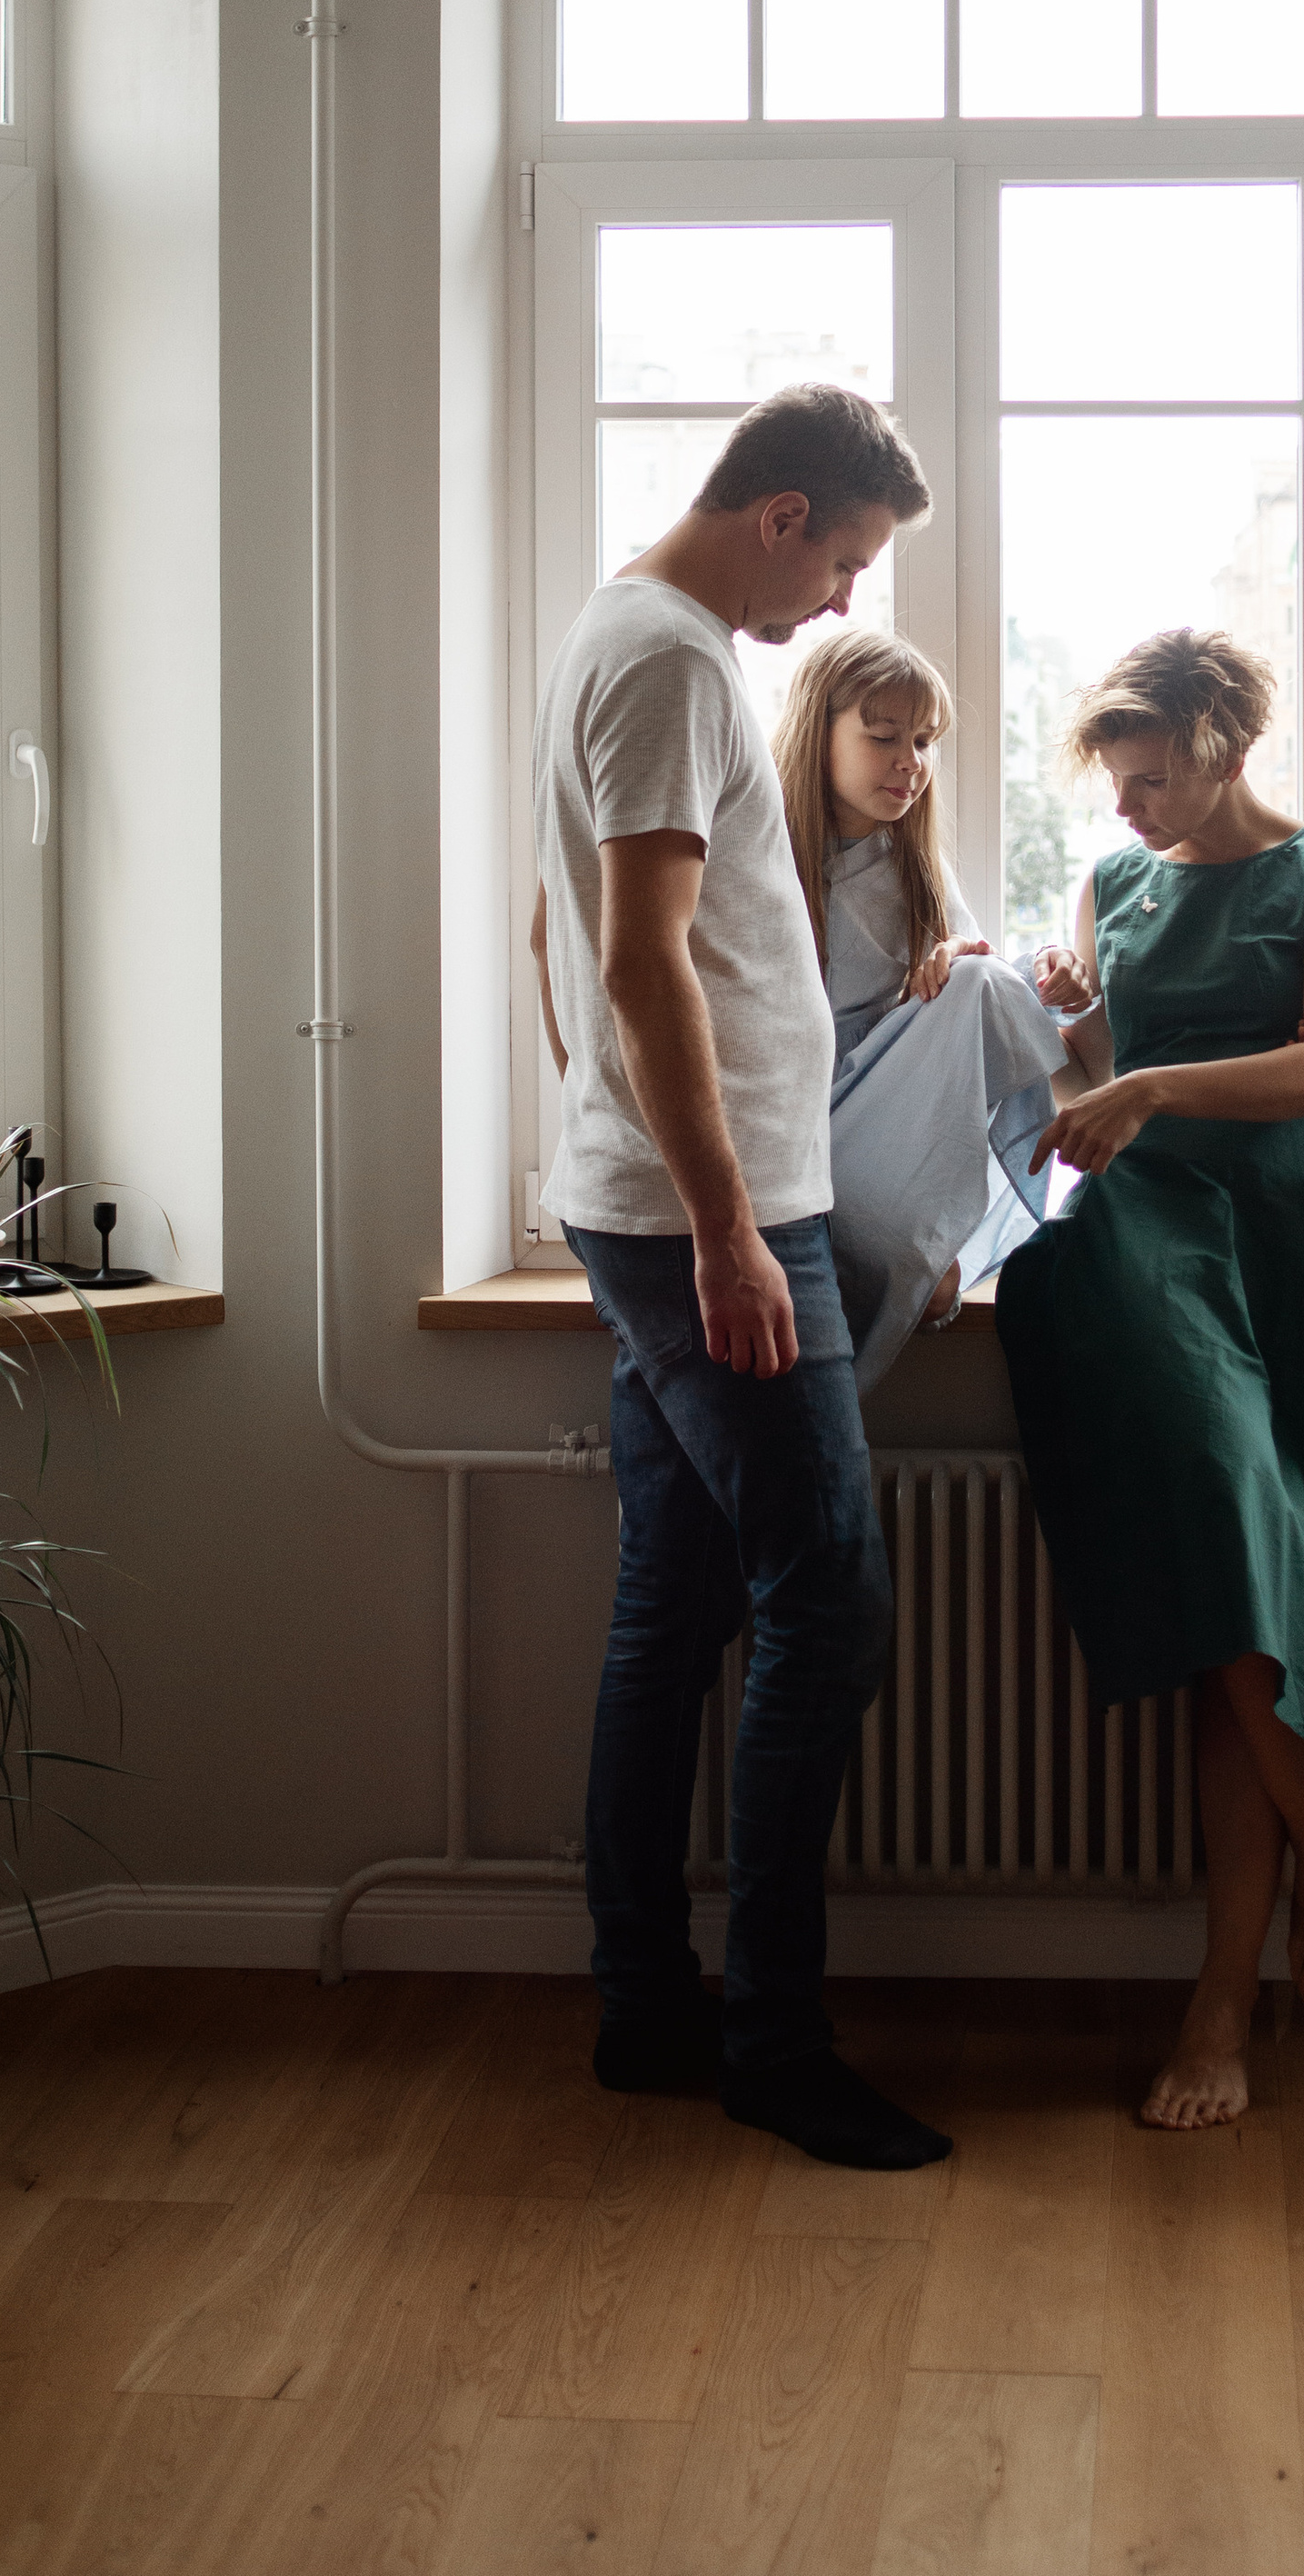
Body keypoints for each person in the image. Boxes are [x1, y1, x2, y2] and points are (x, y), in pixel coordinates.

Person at [530, 381, 951, 2172]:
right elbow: (639, 963)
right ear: (778, 513)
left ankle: (644, 2008)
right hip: (705, 1216)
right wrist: (719, 1224)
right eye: (845, 560)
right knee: (828, 1606)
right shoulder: (674, 660)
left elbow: (597, 943)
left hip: (674, 1196)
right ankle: (769, 2041)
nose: (844, 604)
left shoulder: (629, 635)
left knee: (679, 1604)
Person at [997, 629, 1304, 2134]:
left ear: (1222, 741)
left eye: (1151, 779)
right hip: (1148, 1238)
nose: (1128, 809)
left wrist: (1143, 1081)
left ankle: (1224, 1997)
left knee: (1243, 1594)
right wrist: (1066, 1022)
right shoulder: (1111, 882)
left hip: (1280, 1240)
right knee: (1217, 1520)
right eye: (1116, 786)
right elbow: (1083, 1092)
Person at [772, 629, 1070, 1393]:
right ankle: (902, 1251)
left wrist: (951, 963)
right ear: (820, 732)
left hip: (880, 1122)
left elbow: (975, 1007)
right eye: (883, 738)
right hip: (789, 1125)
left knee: (984, 981)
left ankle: (941, 1242)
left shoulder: (915, 867)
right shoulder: (759, 855)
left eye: (926, 741)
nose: (911, 762)